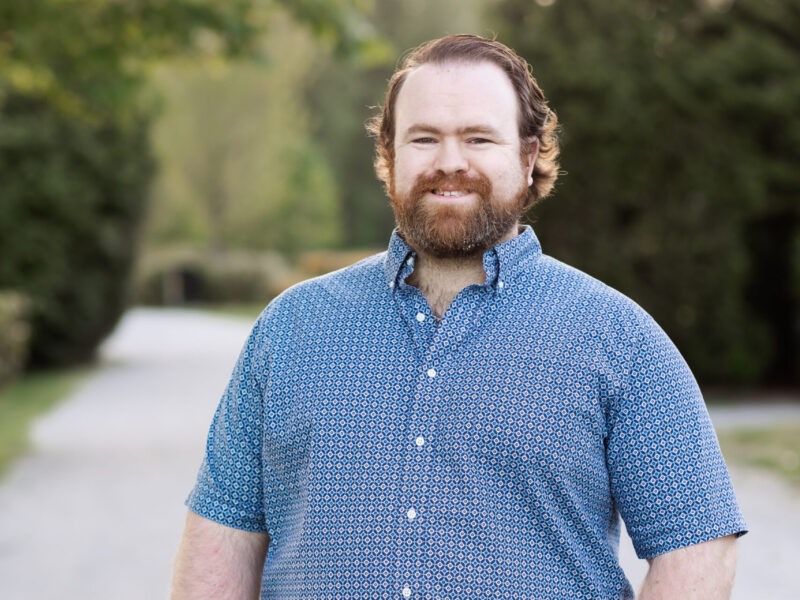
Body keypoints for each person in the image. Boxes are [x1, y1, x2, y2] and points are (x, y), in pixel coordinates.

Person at [171, 34, 746, 599]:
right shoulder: (292, 328)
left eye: (477, 138)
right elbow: (222, 538)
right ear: (389, 158)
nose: (450, 163)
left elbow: (697, 547)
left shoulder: (620, 340)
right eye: (424, 139)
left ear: (527, 158)